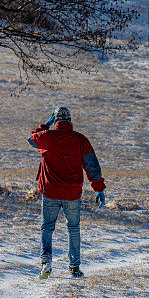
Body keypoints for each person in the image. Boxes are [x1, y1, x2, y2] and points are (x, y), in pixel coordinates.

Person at [28, 107, 105, 279]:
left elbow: (31, 139)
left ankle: (46, 263)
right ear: (70, 120)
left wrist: (44, 126)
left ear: (55, 121)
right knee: (74, 229)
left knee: (47, 227)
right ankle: (74, 267)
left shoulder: (47, 137)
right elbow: (92, 165)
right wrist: (98, 189)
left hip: (50, 191)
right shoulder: (80, 139)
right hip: (72, 194)